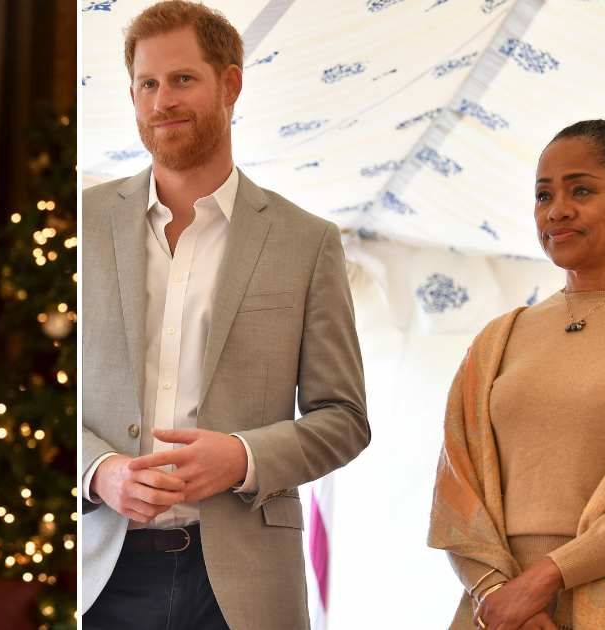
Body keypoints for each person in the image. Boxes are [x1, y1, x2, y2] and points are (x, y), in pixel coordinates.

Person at [80, 2, 369, 628]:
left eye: (183, 79)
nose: (162, 101)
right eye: (147, 85)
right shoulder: (81, 222)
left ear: (230, 84)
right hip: (99, 576)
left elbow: (344, 419)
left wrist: (242, 457)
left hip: (244, 586)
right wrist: (99, 472)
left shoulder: (307, 240)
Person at [429, 119, 605, 630]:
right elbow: (457, 492)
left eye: (580, 190)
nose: (557, 209)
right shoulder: (499, 338)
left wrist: (545, 579)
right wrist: (500, 593)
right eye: (544, 195)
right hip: (501, 612)